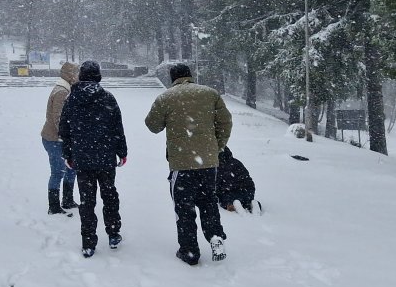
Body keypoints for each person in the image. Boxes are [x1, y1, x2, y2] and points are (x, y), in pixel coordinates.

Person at [145, 63, 233, 265]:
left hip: (181, 163)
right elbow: (225, 122)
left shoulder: (166, 97)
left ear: (172, 78)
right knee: (208, 201)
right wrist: (217, 146)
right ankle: (215, 236)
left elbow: (152, 125)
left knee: (184, 208)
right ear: (190, 76)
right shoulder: (210, 94)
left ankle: (189, 251)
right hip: (208, 162)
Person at [59, 61, 128, 258]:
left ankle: (88, 242)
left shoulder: (72, 99)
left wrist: (68, 154)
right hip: (105, 158)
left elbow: (65, 130)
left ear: (81, 76)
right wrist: (122, 152)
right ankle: (113, 233)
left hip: (83, 158)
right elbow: (117, 128)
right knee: (110, 195)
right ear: (98, 76)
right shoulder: (108, 98)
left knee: (86, 201)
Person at [40, 62, 79, 217]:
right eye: (76, 73)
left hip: (62, 139)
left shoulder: (65, 89)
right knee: (58, 172)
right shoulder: (62, 91)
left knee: (71, 168)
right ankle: (54, 206)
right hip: (55, 139)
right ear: (70, 75)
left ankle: (68, 200)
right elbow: (58, 120)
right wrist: (66, 137)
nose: (78, 77)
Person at [217, 146, 260, 213]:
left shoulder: (218, 166)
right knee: (246, 200)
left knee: (224, 200)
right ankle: (252, 204)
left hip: (230, 193)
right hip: (248, 190)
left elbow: (216, 185)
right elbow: (247, 178)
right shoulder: (237, 162)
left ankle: (233, 205)